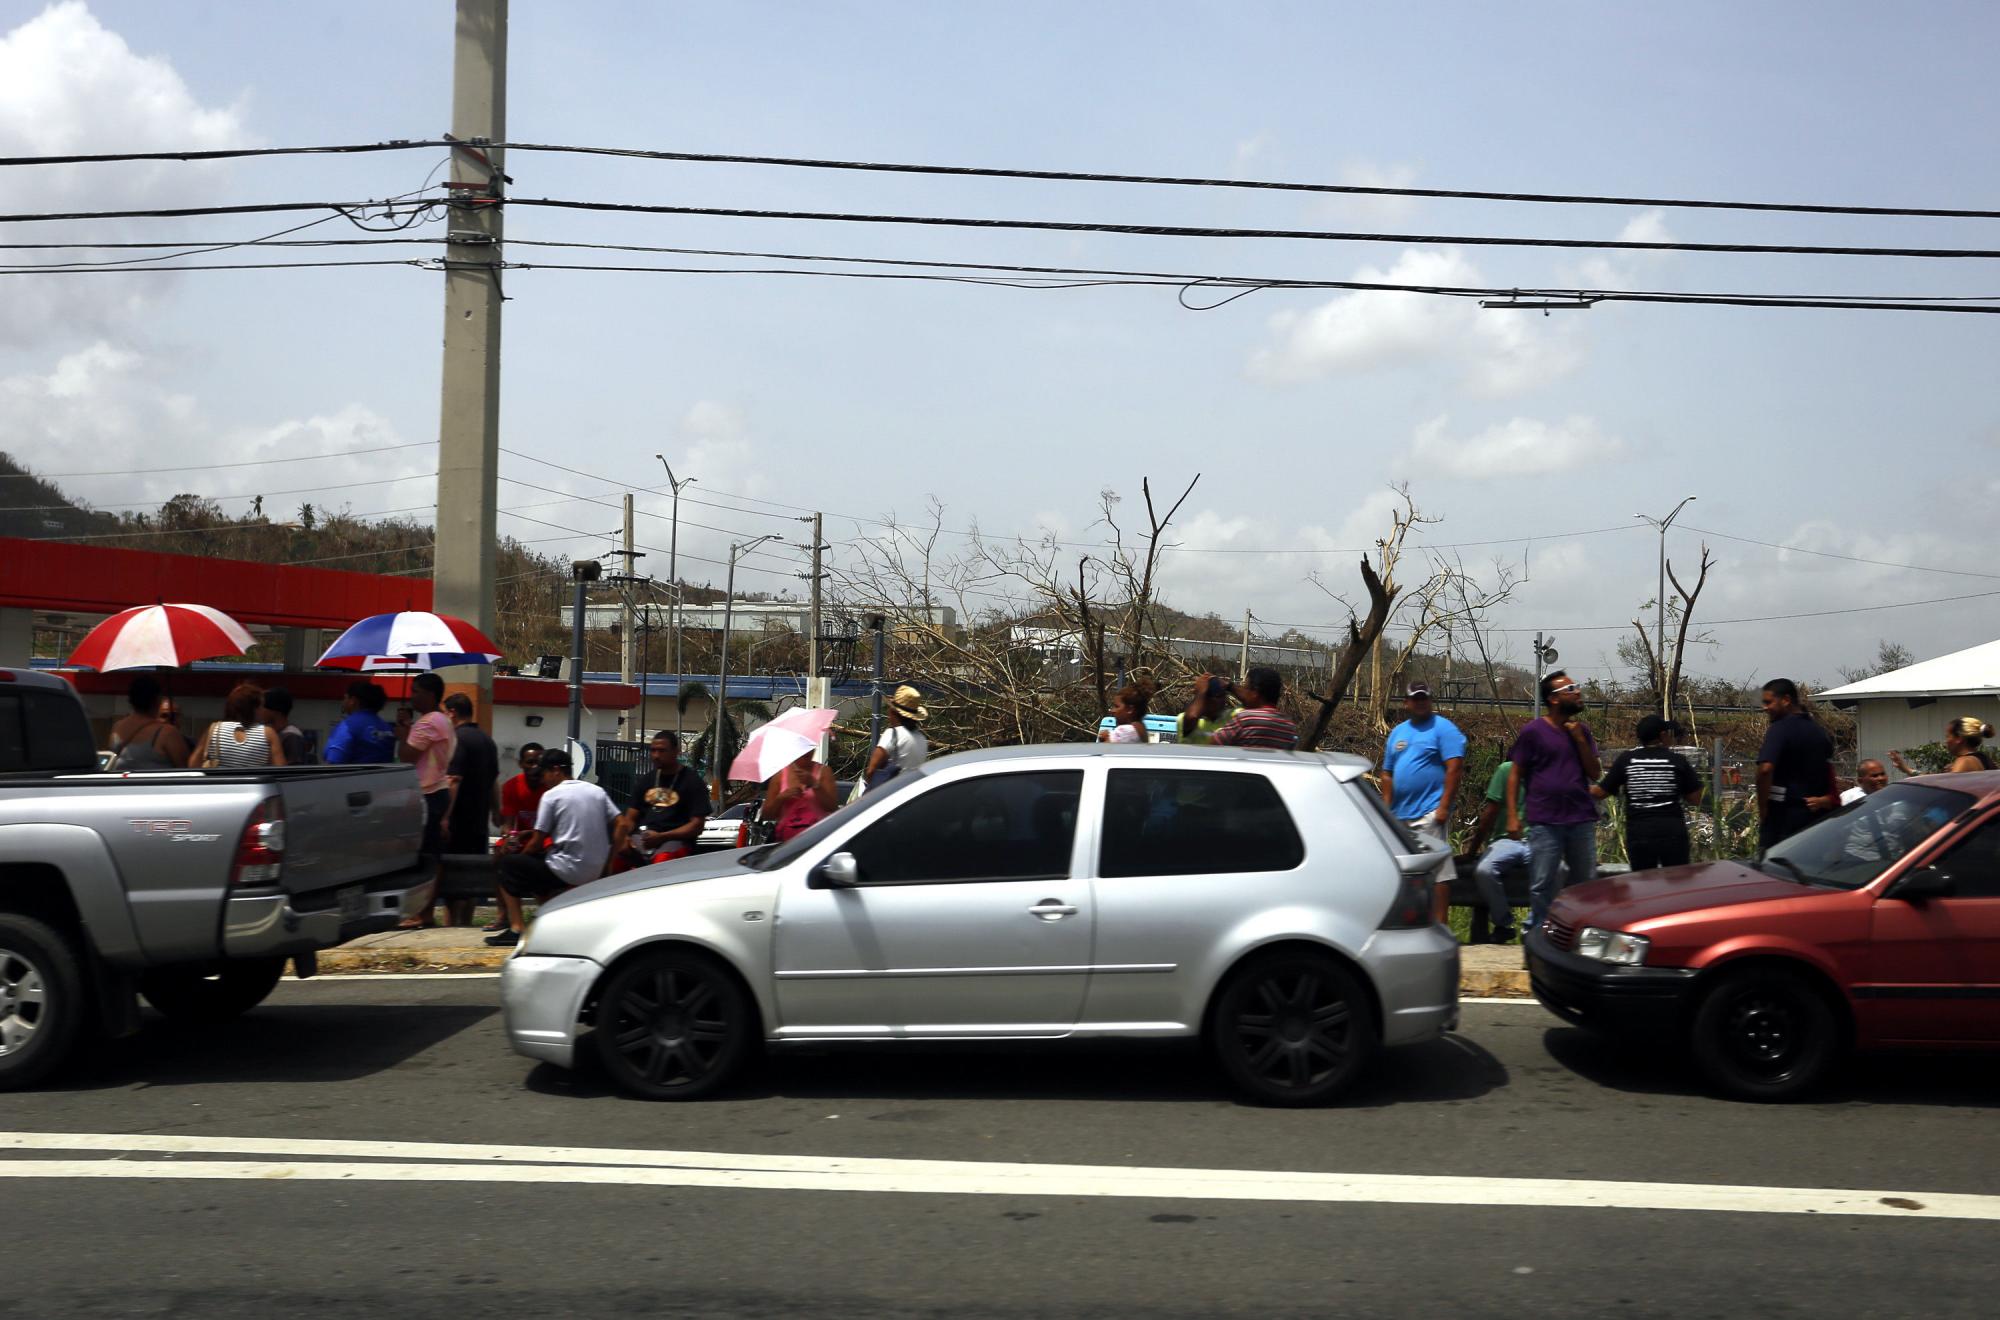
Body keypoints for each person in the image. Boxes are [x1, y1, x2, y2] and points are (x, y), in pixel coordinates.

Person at [487, 749, 618, 947]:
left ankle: (516, 927)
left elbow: (536, 843)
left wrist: (521, 855)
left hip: (567, 870)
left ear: (556, 771)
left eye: (544, 773)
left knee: (507, 864)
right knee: (540, 864)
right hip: (596, 869)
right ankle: (548, 921)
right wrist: (609, 861)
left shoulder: (551, 795)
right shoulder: (596, 791)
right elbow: (623, 823)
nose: (542, 780)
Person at [1506, 671, 1601, 932]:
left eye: (1576, 686)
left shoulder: (1582, 731)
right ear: (1553, 699)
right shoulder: (1533, 732)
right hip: (1545, 822)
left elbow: (1595, 773)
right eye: (1570, 688)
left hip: (1580, 819)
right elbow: (1515, 774)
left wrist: (1580, 740)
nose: (1578, 692)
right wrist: (1512, 815)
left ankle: (1579, 939)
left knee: (1585, 884)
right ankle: (1537, 939)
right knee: (1542, 884)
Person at [1595, 715, 1704, 870]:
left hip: (1639, 834)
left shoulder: (1627, 760)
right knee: (1677, 883)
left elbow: (1600, 792)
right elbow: (1696, 798)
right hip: (1672, 833)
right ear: (1662, 736)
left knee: (1644, 884)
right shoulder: (1676, 760)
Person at [396, 674, 456, 929]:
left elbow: (407, 756)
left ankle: (422, 912)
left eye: (417, 691)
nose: (412, 696)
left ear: (431, 695)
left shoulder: (428, 723)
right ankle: (424, 911)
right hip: (436, 790)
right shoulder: (443, 720)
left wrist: (402, 733)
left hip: (427, 793)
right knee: (430, 855)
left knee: (426, 856)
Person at [436, 692, 500, 927]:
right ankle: (466, 923)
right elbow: (494, 780)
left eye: (444, 713)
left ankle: (451, 927)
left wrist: (444, 817)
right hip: (479, 822)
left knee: (453, 881)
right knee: (472, 880)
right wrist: (496, 810)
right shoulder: (487, 741)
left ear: (452, 713)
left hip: (458, 822)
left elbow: (453, 780)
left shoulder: (458, 740)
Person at [1379, 681, 1466, 842]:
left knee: (1430, 865)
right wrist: (1386, 809)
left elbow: (1455, 768)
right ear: (1406, 702)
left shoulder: (1444, 729)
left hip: (1428, 815)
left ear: (1430, 700)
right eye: (1416, 699)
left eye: (1424, 698)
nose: (1420, 703)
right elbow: (1387, 774)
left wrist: (1444, 807)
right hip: (1399, 817)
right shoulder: (1398, 732)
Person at [1755, 678, 1836, 849]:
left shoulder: (1780, 728)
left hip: (1782, 820)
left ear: (1786, 700)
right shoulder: (1820, 732)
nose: (1765, 708)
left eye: (1769, 702)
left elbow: (1765, 770)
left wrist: (1763, 809)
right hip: (1815, 822)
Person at [613, 730, 710, 866]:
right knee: (615, 857)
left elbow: (697, 826)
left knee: (663, 861)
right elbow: (630, 817)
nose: (656, 756)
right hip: (643, 839)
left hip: (674, 841)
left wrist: (663, 837)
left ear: (676, 751)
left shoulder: (692, 781)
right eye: (653, 751)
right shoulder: (646, 780)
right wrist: (624, 837)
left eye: (662, 751)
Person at [1462, 758, 1526, 943]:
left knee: (1560, 870)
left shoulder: (1545, 771)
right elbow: (1489, 815)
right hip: (1506, 840)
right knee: (1485, 870)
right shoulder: (1506, 770)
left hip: (1538, 839)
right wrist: (1472, 851)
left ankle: (1540, 927)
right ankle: (1503, 924)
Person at [190, 683, 286, 768]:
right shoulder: (268, 734)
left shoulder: (215, 729)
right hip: (253, 787)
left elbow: (193, 764)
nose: (263, 710)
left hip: (219, 786)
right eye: (261, 706)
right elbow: (280, 769)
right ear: (253, 708)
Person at [108, 673, 190, 771]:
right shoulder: (167, 732)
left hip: (121, 785)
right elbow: (186, 770)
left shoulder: (117, 728)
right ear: (157, 700)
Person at [1209, 667, 1299, 750]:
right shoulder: (1289, 725)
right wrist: (1229, 686)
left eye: (1245, 688)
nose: (1243, 693)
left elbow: (1213, 744)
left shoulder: (1246, 718)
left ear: (1255, 693)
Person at [762, 748, 838, 842]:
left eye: (810, 747)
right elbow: (766, 815)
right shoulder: (780, 776)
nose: (807, 751)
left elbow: (832, 807)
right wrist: (781, 798)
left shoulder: (824, 772)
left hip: (817, 840)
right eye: (803, 748)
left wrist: (815, 784)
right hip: (787, 843)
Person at [864, 685, 930, 789]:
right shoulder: (922, 738)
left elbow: (871, 770)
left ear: (894, 713)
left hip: (889, 794)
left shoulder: (892, 734)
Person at [1890, 717, 1996, 777]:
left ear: (1959, 738)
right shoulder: (1983, 759)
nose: (1946, 741)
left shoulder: (1965, 762)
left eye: (1947, 736)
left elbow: (1941, 790)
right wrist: (1907, 769)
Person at [324, 681, 396, 764]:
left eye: (345, 698)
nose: (343, 702)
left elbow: (334, 762)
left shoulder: (347, 727)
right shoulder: (387, 728)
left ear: (353, 701)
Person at [258, 687, 312, 766]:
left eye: (263, 707)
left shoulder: (292, 737)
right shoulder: (270, 733)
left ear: (275, 710)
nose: (259, 711)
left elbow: (293, 771)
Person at [1179, 674, 1234, 745]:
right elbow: (1192, 717)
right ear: (1205, 699)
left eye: (1223, 695)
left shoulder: (1232, 718)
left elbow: (1251, 700)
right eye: (1217, 697)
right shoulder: (1184, 718)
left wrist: (1230, 686)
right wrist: (1201, 692)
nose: (1223, 700)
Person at [1100, 678, 1155, 744]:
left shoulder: (1125, 731)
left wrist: (1104, 738)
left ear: (1130, 709)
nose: (1112, 710)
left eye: (1117, 706)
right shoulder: (1141, 728)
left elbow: (1106, 751)